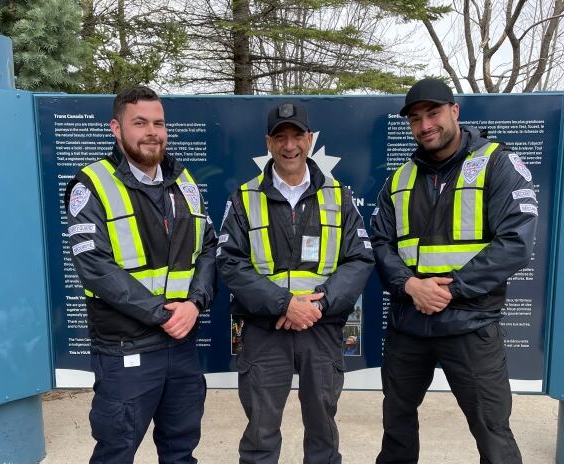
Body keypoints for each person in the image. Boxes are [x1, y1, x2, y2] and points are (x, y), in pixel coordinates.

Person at [371, 78, 538, 464]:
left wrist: (451, 290)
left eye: (433, 113)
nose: (425, 125)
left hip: (470, 324)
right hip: (408, 324)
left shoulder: (497, 163)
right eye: (416, 119)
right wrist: (410, 285)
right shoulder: (399, 179)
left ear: (455, 112)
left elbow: (515, 241)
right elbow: (379, 243)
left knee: (492, 431)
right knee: (396, 426)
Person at [65, 85, 217, 464]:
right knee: (116, 452)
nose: (152, 131)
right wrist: (162, 314)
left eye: (159, 123)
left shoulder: (184, 183)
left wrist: (195, 304)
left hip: (180, 348)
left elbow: (209, 248)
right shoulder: (91, 185)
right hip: (125, 351)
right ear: (116, 129)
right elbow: (95, 267)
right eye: (140, 123)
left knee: (181, 451)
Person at [216, 101, 374, 464]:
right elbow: (230, 261)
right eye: (280, 137)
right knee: (260, 431)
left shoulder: (339, 196)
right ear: (268, 143)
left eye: (297, 136)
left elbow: (360, 259)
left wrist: (317, 306)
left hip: (320, 327)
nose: (290, 146)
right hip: (264, 328)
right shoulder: (244, 197)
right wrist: (283, 303)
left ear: (310, 138)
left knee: (322, 428)